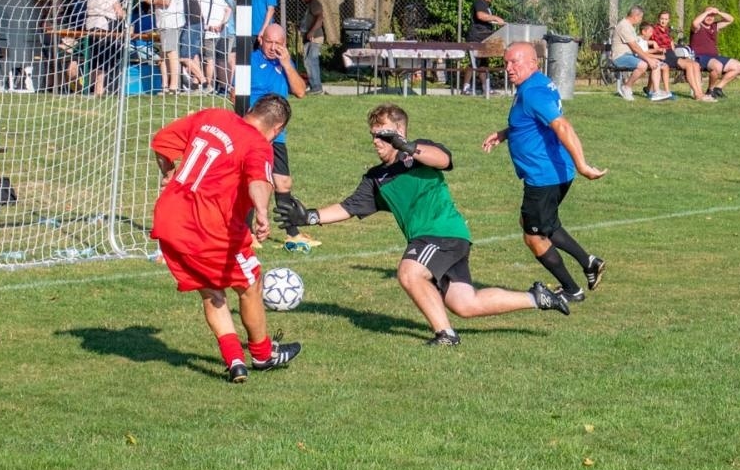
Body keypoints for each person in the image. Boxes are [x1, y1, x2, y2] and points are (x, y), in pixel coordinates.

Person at [278, 103, 571, 346]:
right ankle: (537, 297)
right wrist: (309, 217)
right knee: (464, 303)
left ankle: (445, 335)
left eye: (382, 135)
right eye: (374, 136)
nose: (376, 142)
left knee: (409, 271)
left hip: (441, 233)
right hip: (440, 239)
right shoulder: (376, 177)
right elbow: (349, 207)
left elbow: (444, 159)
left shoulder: (418, 154)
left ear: (400, 131)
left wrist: (408, 146)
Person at [149, 94, 301, 383]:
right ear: (277, 128)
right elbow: (259, 180)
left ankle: (234, 361)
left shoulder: (212, 117)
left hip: (169, 220)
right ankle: (262, 354)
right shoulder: (258, 144)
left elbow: (161, 141)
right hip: (208, 228)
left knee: (210, 290)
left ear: (252, 111)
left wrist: (168, 172)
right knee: (250, 284)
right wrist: (261, 213)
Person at [481, 42, 607, 301]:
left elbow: (562, 126)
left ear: (532, 63)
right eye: (506, 62)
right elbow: (533, 122)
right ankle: (589, 262)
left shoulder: (533, 92)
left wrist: (583, 165)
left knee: (534, 236)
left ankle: (572, 290)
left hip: (543, 176)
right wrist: (505, 134)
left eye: (514, 62)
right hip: (554, 173)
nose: (508, 68)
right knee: (541, 224)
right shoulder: (536, 84)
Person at [250, 22, 313, 251]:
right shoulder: (249, 62)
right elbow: (235, 94)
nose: (273, 47)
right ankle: (247, 234)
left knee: (283, 182)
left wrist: (286, 62)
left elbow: (300, 92)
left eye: (279, 43)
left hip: (277, 134)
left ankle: (292, 233)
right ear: (261, 40)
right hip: (254, 134)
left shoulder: (284, 64)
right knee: (253, 180)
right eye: (270, 42)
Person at [650, 9, 713, 103]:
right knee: (688, 65)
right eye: (662, 18)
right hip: (663, 55)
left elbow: (671, 44)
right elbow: (643, 39)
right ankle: (697, 94)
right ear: (658, 19)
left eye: (666, 19)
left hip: (672, 54)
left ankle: (700, 93)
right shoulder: (654, 29)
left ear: (668, 20)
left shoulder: (667, 30)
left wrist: (673, 46)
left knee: (695, 64)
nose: (663, 21)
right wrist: (653, 42)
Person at [608, 5, 668, 101]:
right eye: (640, 17)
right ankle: (626, 87)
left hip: (630, 56)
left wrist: (652, 57)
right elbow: (635, 47)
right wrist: (648, 59)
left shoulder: (629, 26)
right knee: (643, 65)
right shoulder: (624, 26)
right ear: (635, 16)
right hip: (619, 57)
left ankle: (656, 92)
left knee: (656, 63)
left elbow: (637, 45)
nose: (641, 20)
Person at [689, 5, 740, 98]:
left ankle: (717, 88)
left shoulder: (715, 26)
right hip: (700, 57)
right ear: (703, 15)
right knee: (717, 66)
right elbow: (694, 23)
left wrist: (718, 12)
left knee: (738, 66)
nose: (710, 17)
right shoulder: (697, 27)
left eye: (712, 16)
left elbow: (731, 19)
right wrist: (707, 12)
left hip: (714, 57)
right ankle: (710, 90)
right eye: (708, 15)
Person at [147, 0, 187, 93]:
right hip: (167, 21)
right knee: (164, 54)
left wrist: (151, 0)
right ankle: (165, 86)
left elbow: (166, 1)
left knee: (171, 52)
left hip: (169, 21)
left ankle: (174, 87)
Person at [83, 0, 125, 96]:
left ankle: (90, 87)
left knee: (94, 58)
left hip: (90, 27)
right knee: (104, 58)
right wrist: (125, 13)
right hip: (104, 26)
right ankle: (99, 89)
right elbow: (119, 13)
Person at [462, 0, 505, 94]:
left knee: (484, 63)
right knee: (473, 62)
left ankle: (486, 88)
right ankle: (465, 87)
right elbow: (480, 16)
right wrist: (496, 18)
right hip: (476, 36)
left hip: (484, 37)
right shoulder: (479, 2)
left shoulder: (486, 5)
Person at [195, 0, 234, 95]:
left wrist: (206, 25)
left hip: (208, 30)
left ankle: (209, 85)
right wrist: (221, 24)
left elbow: (198, 11)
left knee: (209, 60)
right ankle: (224, 87)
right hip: (222, 31)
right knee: (222, 60)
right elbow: (228, 10)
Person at [296, 0, 325, 93]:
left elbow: (320, 18)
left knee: (311, 61)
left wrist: (312, 31)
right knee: (308, 61)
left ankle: (316, 87)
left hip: (314, 37)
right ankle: (314, 86)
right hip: (310, 37)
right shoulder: (310, 6)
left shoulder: (315, 4)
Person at [637, 23, 674, 100]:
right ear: (644, 32)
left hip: (645, 59)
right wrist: (658, 56)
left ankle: (666, 91)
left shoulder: (643, 40)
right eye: (650, 32)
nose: (652, 34)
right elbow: (643, 54)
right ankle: (656, 91)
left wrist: (657, 49)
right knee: (657, 64)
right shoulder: (639, 40)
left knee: (665, 66)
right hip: (641, 60)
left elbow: (646, 51)